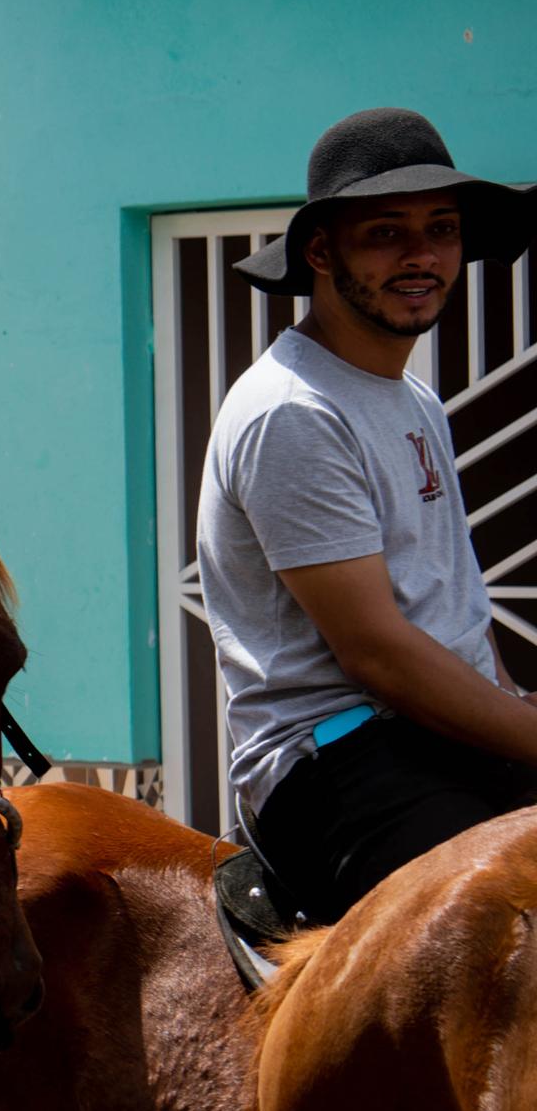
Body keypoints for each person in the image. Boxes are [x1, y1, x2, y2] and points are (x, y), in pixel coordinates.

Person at [199, 107, 537, 924]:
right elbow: (378, 653)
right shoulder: (293, 411)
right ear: (321, 253)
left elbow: (452, 600)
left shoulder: (413, 398)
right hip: (336, 760)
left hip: (439, 739)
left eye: (441, 229)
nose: (421, 256)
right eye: (386, 233)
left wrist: (513, 704)